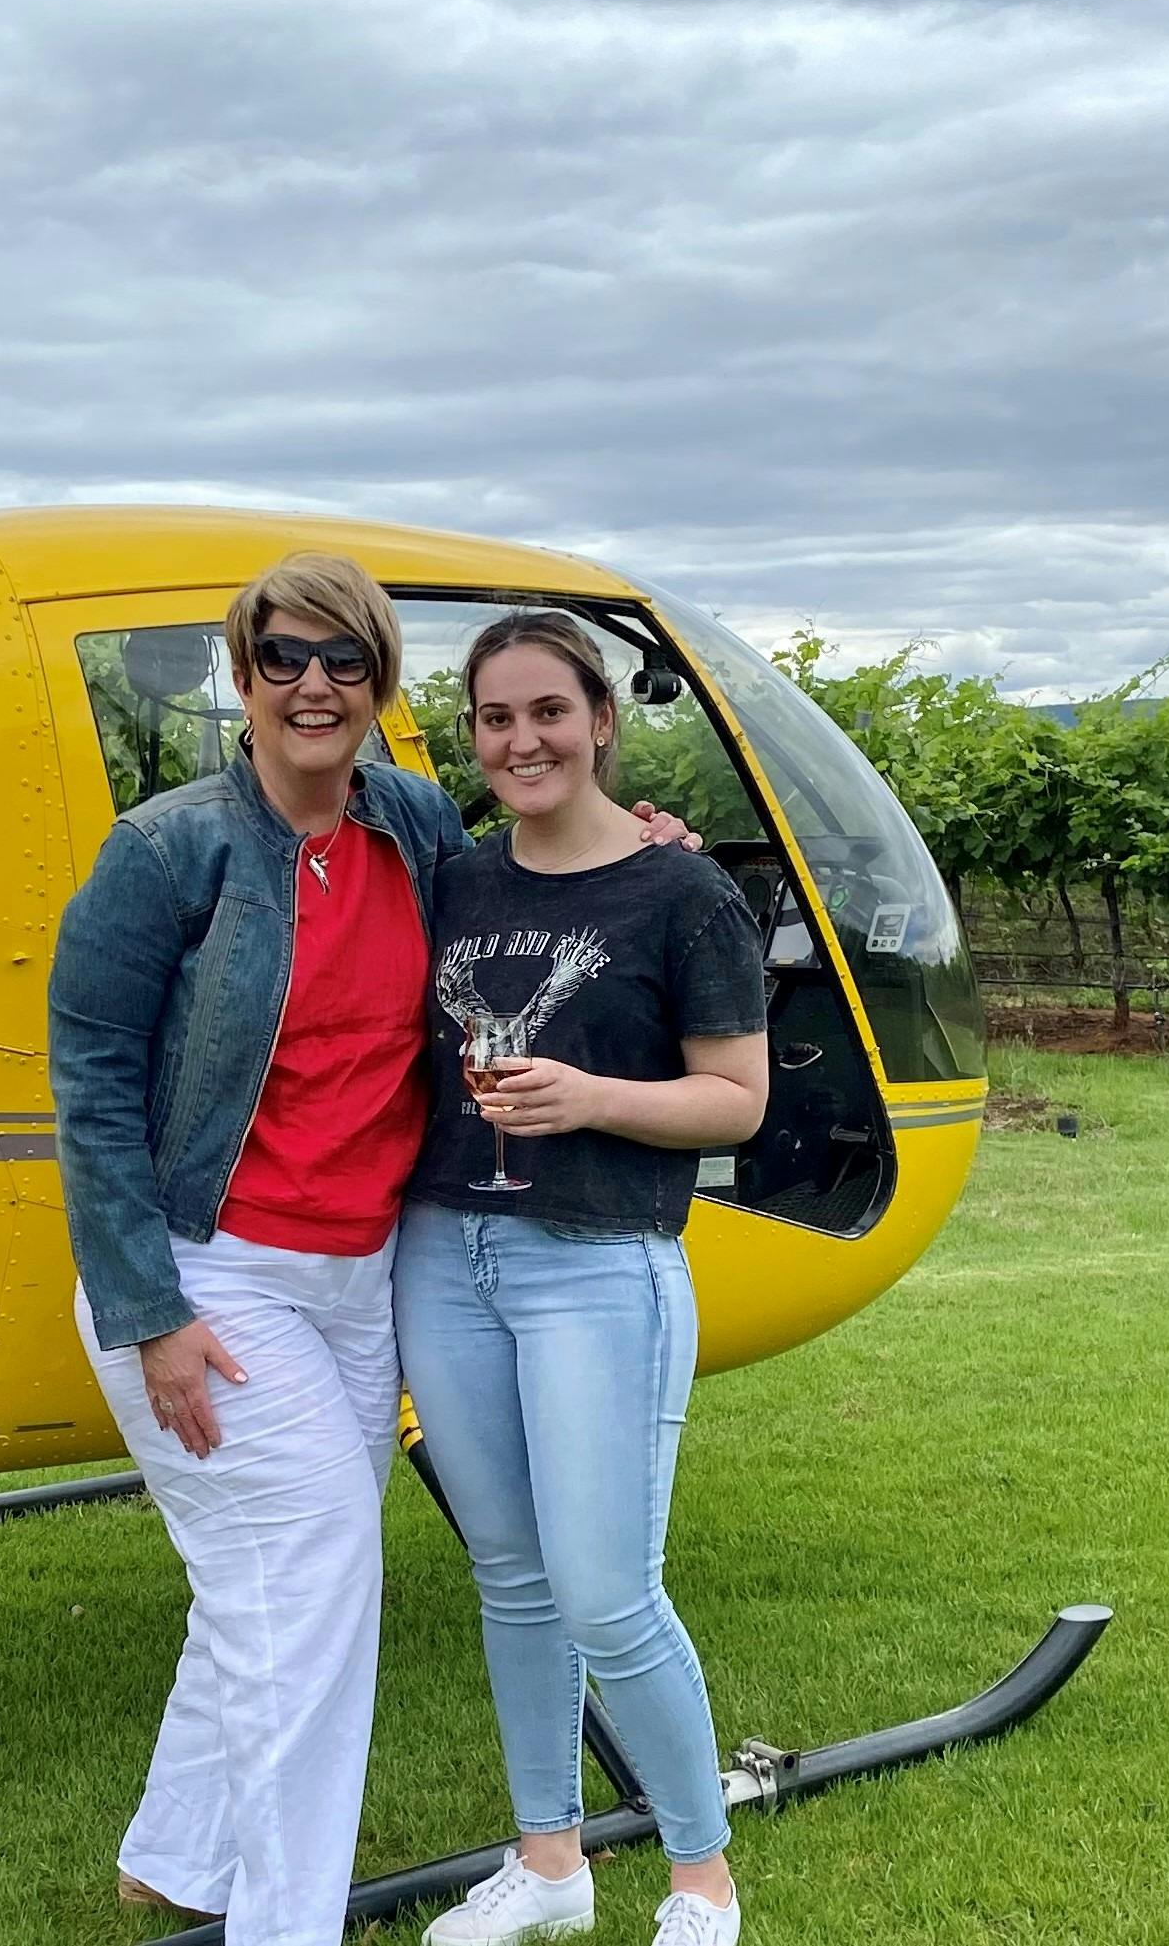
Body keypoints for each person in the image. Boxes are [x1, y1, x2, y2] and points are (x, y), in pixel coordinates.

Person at [49, 557, 693, 1944]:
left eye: (345, 661)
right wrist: (148, 1310)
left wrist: (642, 853)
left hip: (359, 1276)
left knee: (268, 1579)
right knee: (321, 1579)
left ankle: (172, 1855)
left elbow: (530, 880)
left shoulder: (404, 821)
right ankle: (286, 1922)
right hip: (207, 1268)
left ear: (381, 683)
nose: (313, 686)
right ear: (245, 671)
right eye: (283, 657)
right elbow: (91, 1078)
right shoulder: (166, 851)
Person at [395, 610, 770, 1946]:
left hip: (600, 1264)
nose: (522, 739)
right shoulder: (454, 878)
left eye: (548, 711)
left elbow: (735, 1101)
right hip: (446, 1247)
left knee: (610, 1588)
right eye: (495, 718)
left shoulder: (683, 896)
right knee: (512, 1575)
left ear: (602, 720)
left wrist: (589, 1095)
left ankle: (700, 1880)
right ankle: (549, 1864)